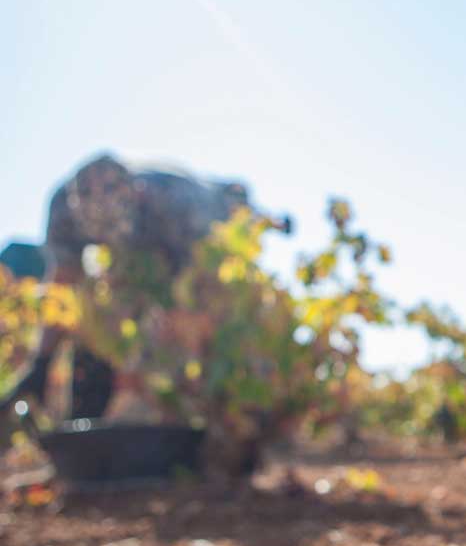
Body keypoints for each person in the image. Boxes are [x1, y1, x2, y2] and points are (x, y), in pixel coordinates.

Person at [1, 153, 288, 424]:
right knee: (101, 315)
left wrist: (161, 359)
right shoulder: (63, 209)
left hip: (215, 211)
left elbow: (200, 291)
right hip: (145, 250)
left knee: (205, 326)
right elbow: (63, 286)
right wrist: (40, 362)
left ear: (137, 195)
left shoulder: (181, 205)